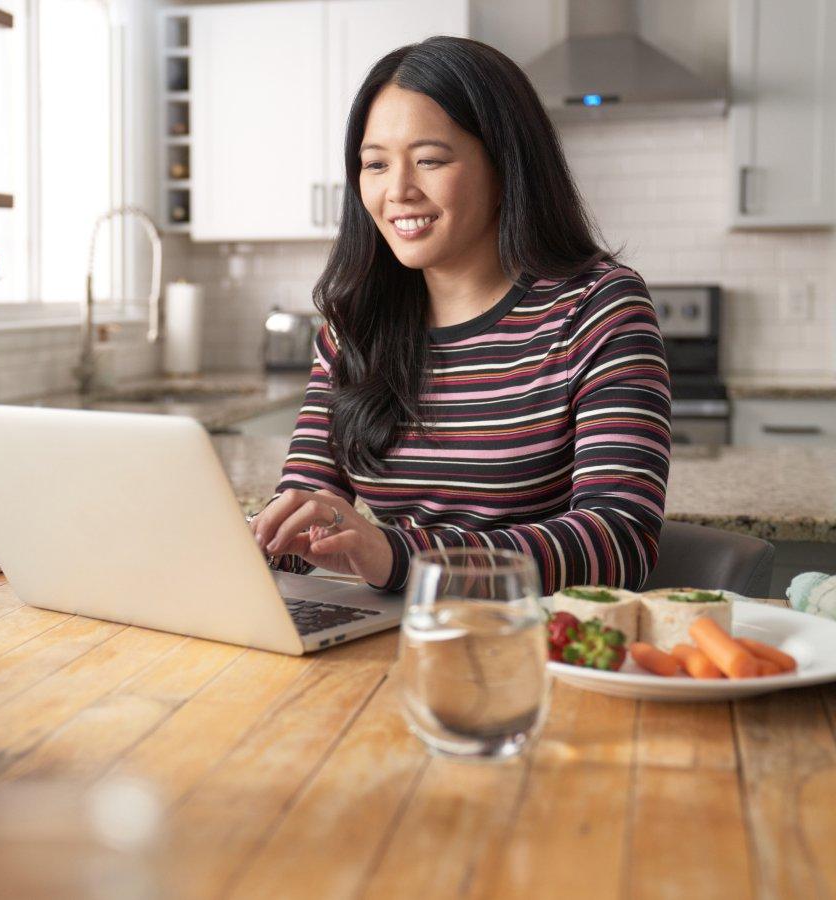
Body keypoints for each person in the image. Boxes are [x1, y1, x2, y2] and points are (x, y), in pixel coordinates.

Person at [248, 36, 671, 595]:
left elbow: (620, 543)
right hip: (395, 636)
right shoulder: (355, 329)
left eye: (429, 160)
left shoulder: (598, 309)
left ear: (503, 168)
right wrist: (266, 540)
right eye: (375, 164)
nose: (397, 191)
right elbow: (305, 506)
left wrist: (399, 556)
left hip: (535, 648)